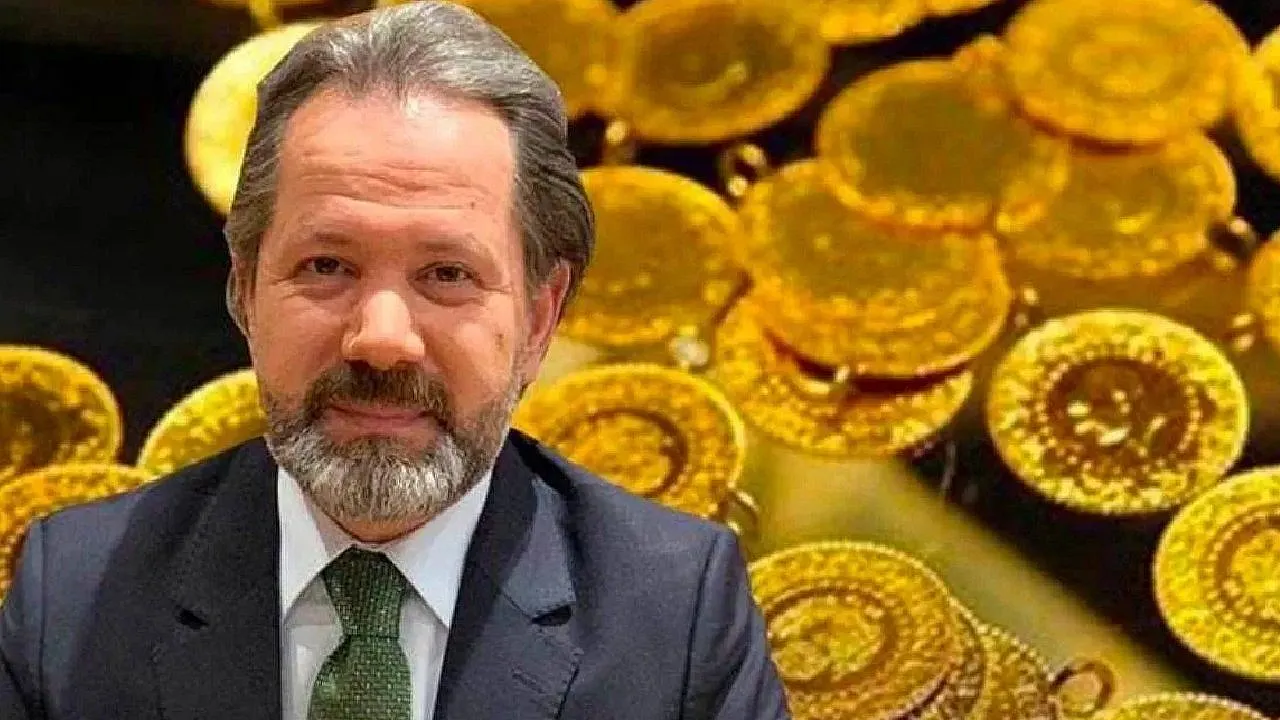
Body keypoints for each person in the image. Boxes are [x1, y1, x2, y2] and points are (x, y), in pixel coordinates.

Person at [0, 2, 789, 718]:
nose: (381, 338)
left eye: (446, 275)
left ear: (540, 317)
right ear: (244, 291)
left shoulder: (676, 613)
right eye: (326, 267)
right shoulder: (74, 593)